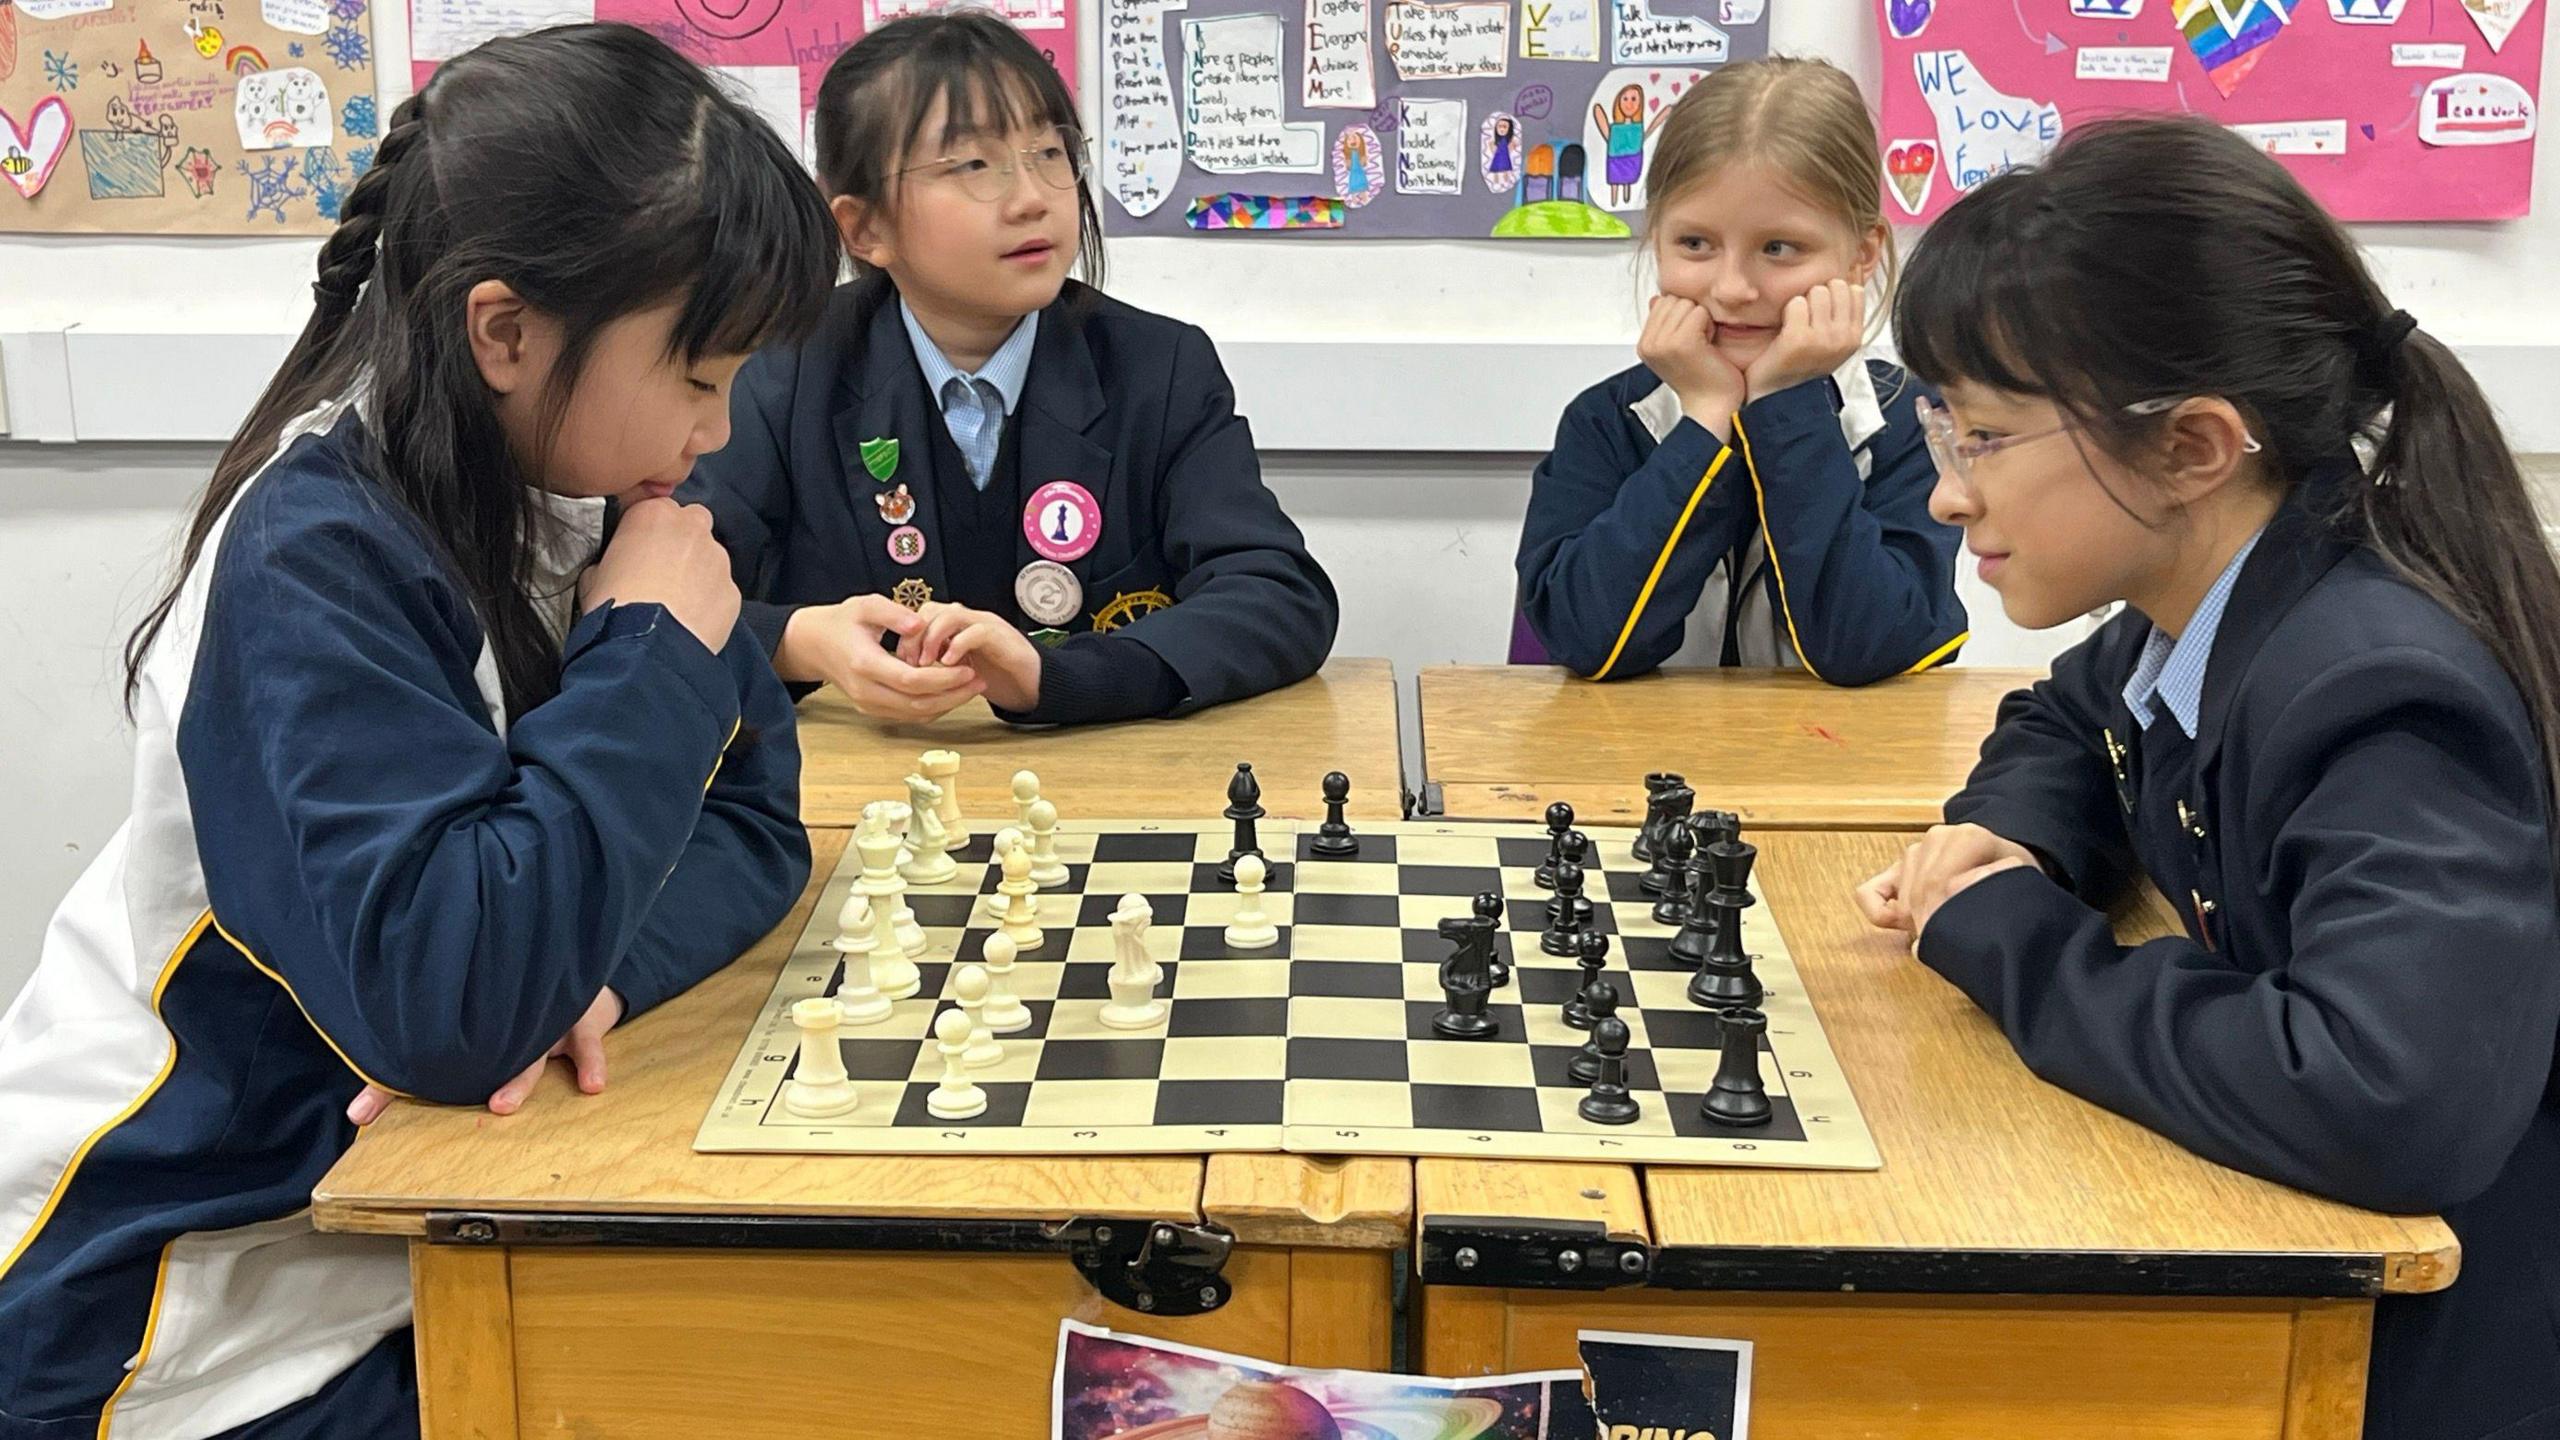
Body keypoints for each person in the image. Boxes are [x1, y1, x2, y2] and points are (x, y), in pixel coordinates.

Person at [0, 26, 838, 1436]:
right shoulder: (311, 557)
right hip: (172, 1308)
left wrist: (586, 963)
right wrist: (644, 654)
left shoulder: (578, 492)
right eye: (699, 373)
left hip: (413, 1231)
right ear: (505, 332)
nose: (718, 428)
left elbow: (756, 821)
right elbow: (450, 1005)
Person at [1859, 117, 2560, 1440]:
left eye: (1989, 439)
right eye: (1943, 432)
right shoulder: (2226, 590)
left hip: (2423, 1368)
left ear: (2192, 446)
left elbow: (2382, 1098)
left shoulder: (2381, 687)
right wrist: (2017, 835)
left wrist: (2015, 941)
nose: (1949, 497)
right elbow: (2075, 716)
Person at [682, 10, 1338, 726]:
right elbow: (647, 601)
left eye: (1050, 153)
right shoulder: (778, 372)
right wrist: (797, 644)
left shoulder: (1159, 368)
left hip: (1102, 794)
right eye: (973, 165)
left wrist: (1056, 677)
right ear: (864, 227)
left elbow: (1278, 594)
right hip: (854, 804)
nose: (1033, 198)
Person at [1518, 57, 1965, 683]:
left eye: (1779, 248)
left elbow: (1865, 648)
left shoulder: (1912, 424)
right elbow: (1586, 639)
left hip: (1843, 773)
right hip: (1633, 770)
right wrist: (1705, 419)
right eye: (1695, 244)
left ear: (1862, 255)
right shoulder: (1605, 421)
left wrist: (1785, 404)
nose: (1731, 290)